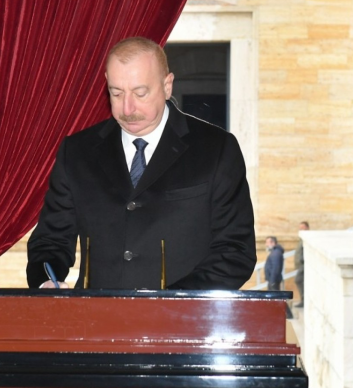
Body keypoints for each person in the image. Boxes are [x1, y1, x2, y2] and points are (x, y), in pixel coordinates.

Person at [26, 37, 256, 290]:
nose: (127, 108)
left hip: (183, 314)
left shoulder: (216, 149)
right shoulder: (77, 152)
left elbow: (235, 251)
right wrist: (46, 282)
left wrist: (170, 302)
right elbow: (50, 241)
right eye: (116, 93)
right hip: (96, 314)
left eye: (140, 93)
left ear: (167, 86)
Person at [293, 221, 309, 307]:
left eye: (303, 228)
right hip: (301, 266)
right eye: (300, 228)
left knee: (298, 280)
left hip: (304, 265)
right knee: (301, 281)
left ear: (307, 228)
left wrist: (302, 260)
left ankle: (304, 300)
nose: (301, 230)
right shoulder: (301, 239)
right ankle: (303, 300)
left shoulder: (307, 239)